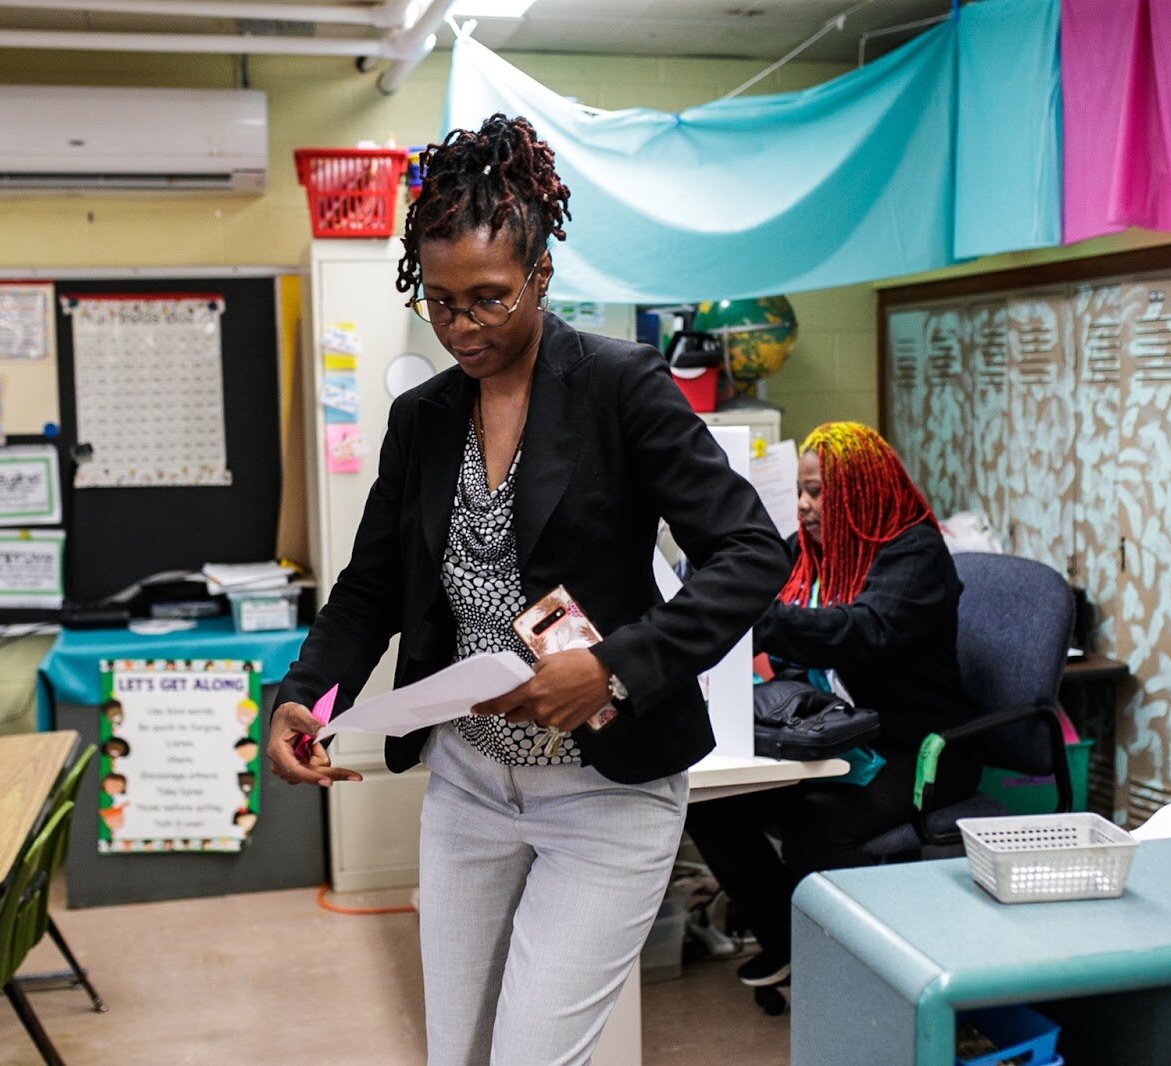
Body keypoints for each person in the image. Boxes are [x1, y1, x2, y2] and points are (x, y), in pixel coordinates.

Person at [265, 113, 788, 1065]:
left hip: (605, 786)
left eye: (490, 300)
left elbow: (752, 551)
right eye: (442, 302)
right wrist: (306, 694)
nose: (463, 327)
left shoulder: (620, 388)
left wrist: (613, 668)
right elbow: (371, 587)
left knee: (533, 1055)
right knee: (457, 1051)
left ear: (541, 277)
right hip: (470, 781)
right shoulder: (423, 421)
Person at [684, 422, 981, 990]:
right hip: (836, 737)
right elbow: (762, 584)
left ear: (859, 491)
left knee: (815, 823)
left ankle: (863, 978)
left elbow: (861, 630)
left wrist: (761, 621)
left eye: (817, 492)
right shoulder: (812, 550)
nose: (803, 505)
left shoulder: (914, 552)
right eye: (800, 490)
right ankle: (791, 943)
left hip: (921, 748)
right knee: (712, 807)